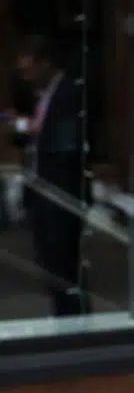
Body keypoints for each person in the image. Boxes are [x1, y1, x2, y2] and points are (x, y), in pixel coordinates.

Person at [7, 36, 84, 316]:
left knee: (63, 267)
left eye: (29, 70)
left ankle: (72, 319)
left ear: (46, 63)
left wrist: (36, 129)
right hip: (40, 193)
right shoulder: (40, 96)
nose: (26, 78)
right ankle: (63, 315)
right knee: (49, 268)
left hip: (59, 194)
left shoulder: (68, 93)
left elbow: (66, 144)